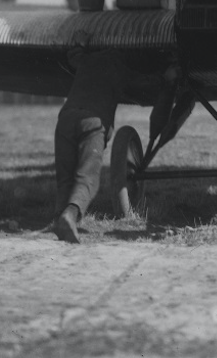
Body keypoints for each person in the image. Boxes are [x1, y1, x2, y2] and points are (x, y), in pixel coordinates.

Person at [52, 34, 183, 244]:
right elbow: (145, 82)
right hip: (93, 122)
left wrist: (79, 43)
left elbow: (73, 56)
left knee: (65, 173)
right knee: (88, 176)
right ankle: (70, 215)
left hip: (65, 118)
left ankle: (58, 217)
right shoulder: (120, 66)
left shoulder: (86, 60)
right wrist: (167, 77)